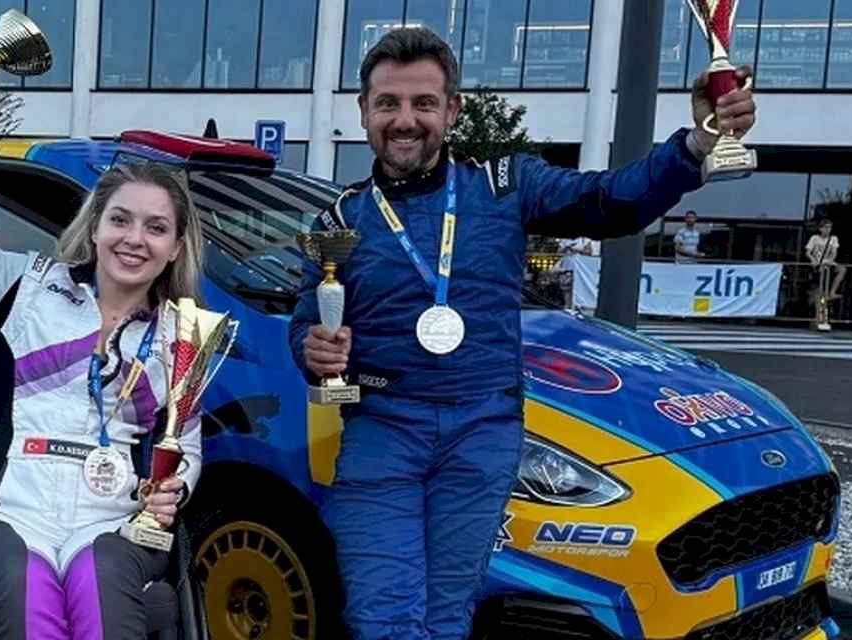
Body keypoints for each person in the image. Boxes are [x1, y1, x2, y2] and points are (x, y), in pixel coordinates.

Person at [288, 28, 756, 640]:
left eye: (423, 103)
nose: (405, 120)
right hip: (383, 431)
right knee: (382, 617)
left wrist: (695, 144)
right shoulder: (340, 220)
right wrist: (312, 348)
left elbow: (610, 200)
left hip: (481, 432)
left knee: (446, 616)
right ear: (363, 111)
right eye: (388, 104)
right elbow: (306, 319)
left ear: (451, 110)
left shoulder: (503, 184)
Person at [0, 77, 205, 639]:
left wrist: (175, 488)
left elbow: (186, 449)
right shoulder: (23, 283)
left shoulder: (183, 336)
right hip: (5, 513)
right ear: (94, 227)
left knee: (100, 585)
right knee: (28, 592)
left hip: (114, 521)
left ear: (175, 246)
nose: (134, 238)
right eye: (120, 219)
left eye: (156, 228)